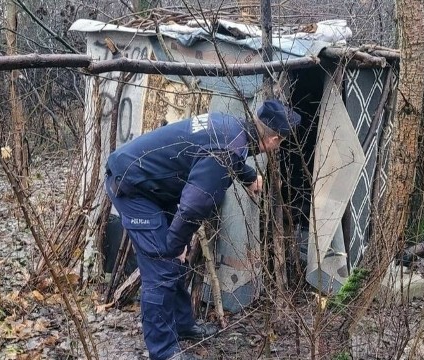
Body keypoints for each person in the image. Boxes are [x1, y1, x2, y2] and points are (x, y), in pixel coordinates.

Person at [104, 99, 301, 360]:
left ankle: (183, 326)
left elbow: (219, 151)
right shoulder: (229, 148)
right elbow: (193, 207)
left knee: (173, 260)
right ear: (275, 139)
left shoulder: (231, 126)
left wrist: (249, 175)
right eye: (281, 143)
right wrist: (174, 247)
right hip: (133, 186)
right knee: (163, 265)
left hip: (152, 183)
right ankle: (163, 352)